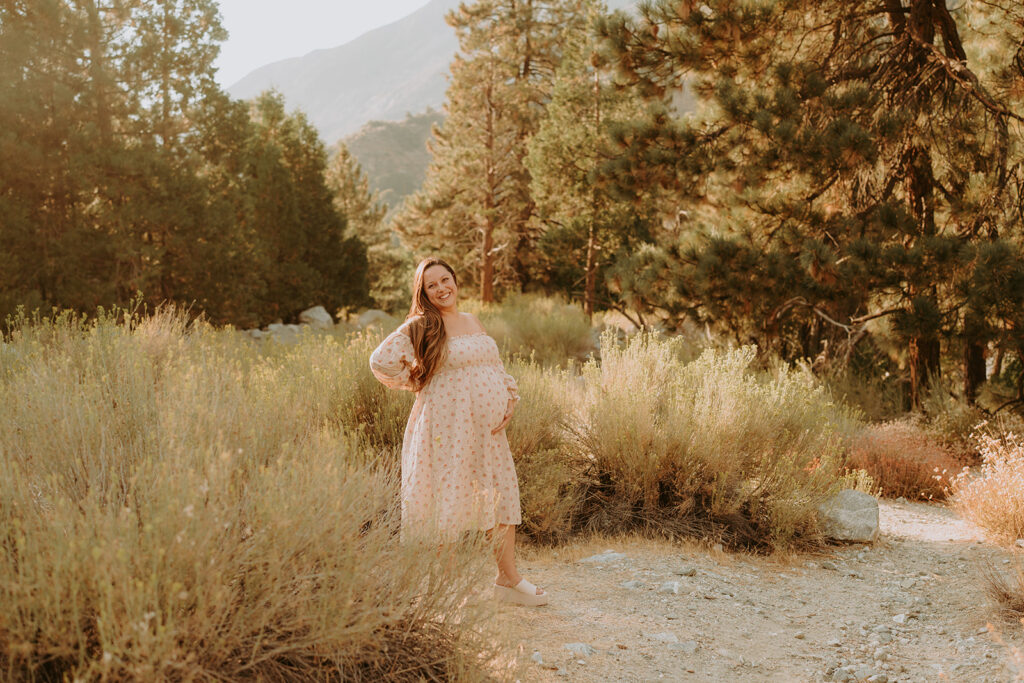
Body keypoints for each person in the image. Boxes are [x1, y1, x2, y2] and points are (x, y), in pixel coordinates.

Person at [369, 257, 548, 607]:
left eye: (445, 280)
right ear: (423, 293)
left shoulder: (471, 320)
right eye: (431, 285)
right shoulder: (421, 326)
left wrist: (508, 398)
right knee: (446, 502)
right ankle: (446, 589)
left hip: (488, 432)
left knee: (498, 497)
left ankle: (507, 580)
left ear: (455, 281)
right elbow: (380, 360)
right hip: (446, 429)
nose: (441, 289)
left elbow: (493, 365)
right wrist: (415, 379)